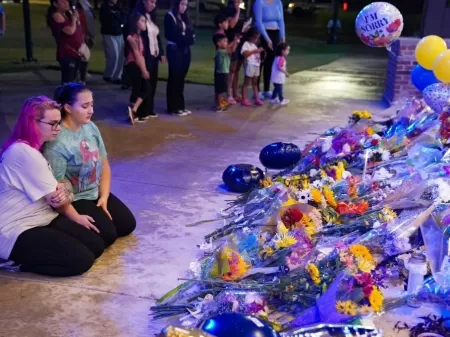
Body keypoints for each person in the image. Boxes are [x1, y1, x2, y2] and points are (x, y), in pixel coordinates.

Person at [0, 96, 104, 277]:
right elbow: (58, 197)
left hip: (42, 217)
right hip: (16, 228)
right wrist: (73, 210)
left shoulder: (34, 148)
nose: (58, 128)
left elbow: (63, 192)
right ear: (33, 122)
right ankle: (15, 263)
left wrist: (65, 191)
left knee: (96, 244)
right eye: (53, 124)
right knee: (81, 260)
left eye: (59, 123)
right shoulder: (24, 153)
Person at [43, 83, 136, 249]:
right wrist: (73, 215)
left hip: (94, 193)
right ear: (68, 108)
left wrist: (104, 197)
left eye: (92, 104)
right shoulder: (57, 143)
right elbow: (56, 190)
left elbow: (104, 164)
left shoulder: (91, 127)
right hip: (76, 199)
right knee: (108, 235)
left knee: (127, 225)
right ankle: (61, 224)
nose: (91, 110)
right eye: (85, 106)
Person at [47, 0, 90, 85]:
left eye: (66, 1)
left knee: (73, 79)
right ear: (55, 4)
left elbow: (78, 28)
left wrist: (75, 17)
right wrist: (73, 20)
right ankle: (65, 97)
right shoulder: (56, 15)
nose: (66, 3)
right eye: (62, 2)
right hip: (67, 52)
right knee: (68, 80)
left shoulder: (67, 15)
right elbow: (70, 31)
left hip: (76, 51)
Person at [135, 0, 166, 118]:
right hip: (144, 55)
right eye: (151, 2)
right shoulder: (138, 15)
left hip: (154, 54)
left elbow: (157, 37)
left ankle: (149, 108)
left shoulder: (152, 17)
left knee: (153, 83)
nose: (153, 5)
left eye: (155, 2)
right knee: (145, 84)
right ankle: (141, 111)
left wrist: (161, 53)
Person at [164, 0, 195, 116]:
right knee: (175, 77)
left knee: (181, 78)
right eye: (182, 4)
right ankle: (172, 107)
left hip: (185, 51)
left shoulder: (185, 17)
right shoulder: (170, 16)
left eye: (185, 5)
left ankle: (180, 105)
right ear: (177, 4)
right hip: (174, 50)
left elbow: (191, 33)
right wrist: (186, 38)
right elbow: (172, 35)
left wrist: (187, 38)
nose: (184, 7)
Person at [253, 0, 285, 100]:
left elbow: (281, 20)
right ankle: (256, 90)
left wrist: (282, 35)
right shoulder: (259, 2)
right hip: (262, 34)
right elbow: (259, 22)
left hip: (275, 33)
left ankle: (266, 89)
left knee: (270, 63)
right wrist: (267, 38)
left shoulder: (278, 2)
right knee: (260, 63)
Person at [126, 12, 152, 124]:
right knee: (143, 88)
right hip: (134, 65)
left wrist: (144, 68)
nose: (144, 23)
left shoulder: (139, 37)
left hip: (138, 64)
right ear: (136, 23)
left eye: (145, 21)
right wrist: (143, 70)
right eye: (142, 20)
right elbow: (136, 55)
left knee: (143, 88)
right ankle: (133, 109)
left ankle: (134, 110)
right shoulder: (134, 37)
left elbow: (141, 55)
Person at [99, 0, 126, 83]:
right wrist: (115, 16)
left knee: (122, 56)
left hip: (119, 34)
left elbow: (123, 18)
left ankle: (117, 76)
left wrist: (116, 17)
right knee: (114, 55)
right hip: (109, 34)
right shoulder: (104, 7)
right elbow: (105, 20)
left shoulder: (118, 7)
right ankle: (108, 75)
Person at [240, 28, 264, 106]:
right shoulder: (246, 44)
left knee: (255, 83)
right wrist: (255, 51)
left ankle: (257, 98)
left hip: (256, 65)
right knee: (246, 82)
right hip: (250, 65)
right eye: (255, 37)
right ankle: (244, 99)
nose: (256, 39)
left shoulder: (254, 45)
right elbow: (245, 54)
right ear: (250, 36)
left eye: (257, 38)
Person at [213, 34, 230, 112]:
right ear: (218, 43)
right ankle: (219, 106)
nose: (226, 43)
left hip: (219, 73)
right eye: (224, 41)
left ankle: (218, 103)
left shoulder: (219, 51)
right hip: (222, 73)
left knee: (219, 90)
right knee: (221, 91)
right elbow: (231, 50)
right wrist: (236, 41)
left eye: (227, 41)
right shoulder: (221, 52)